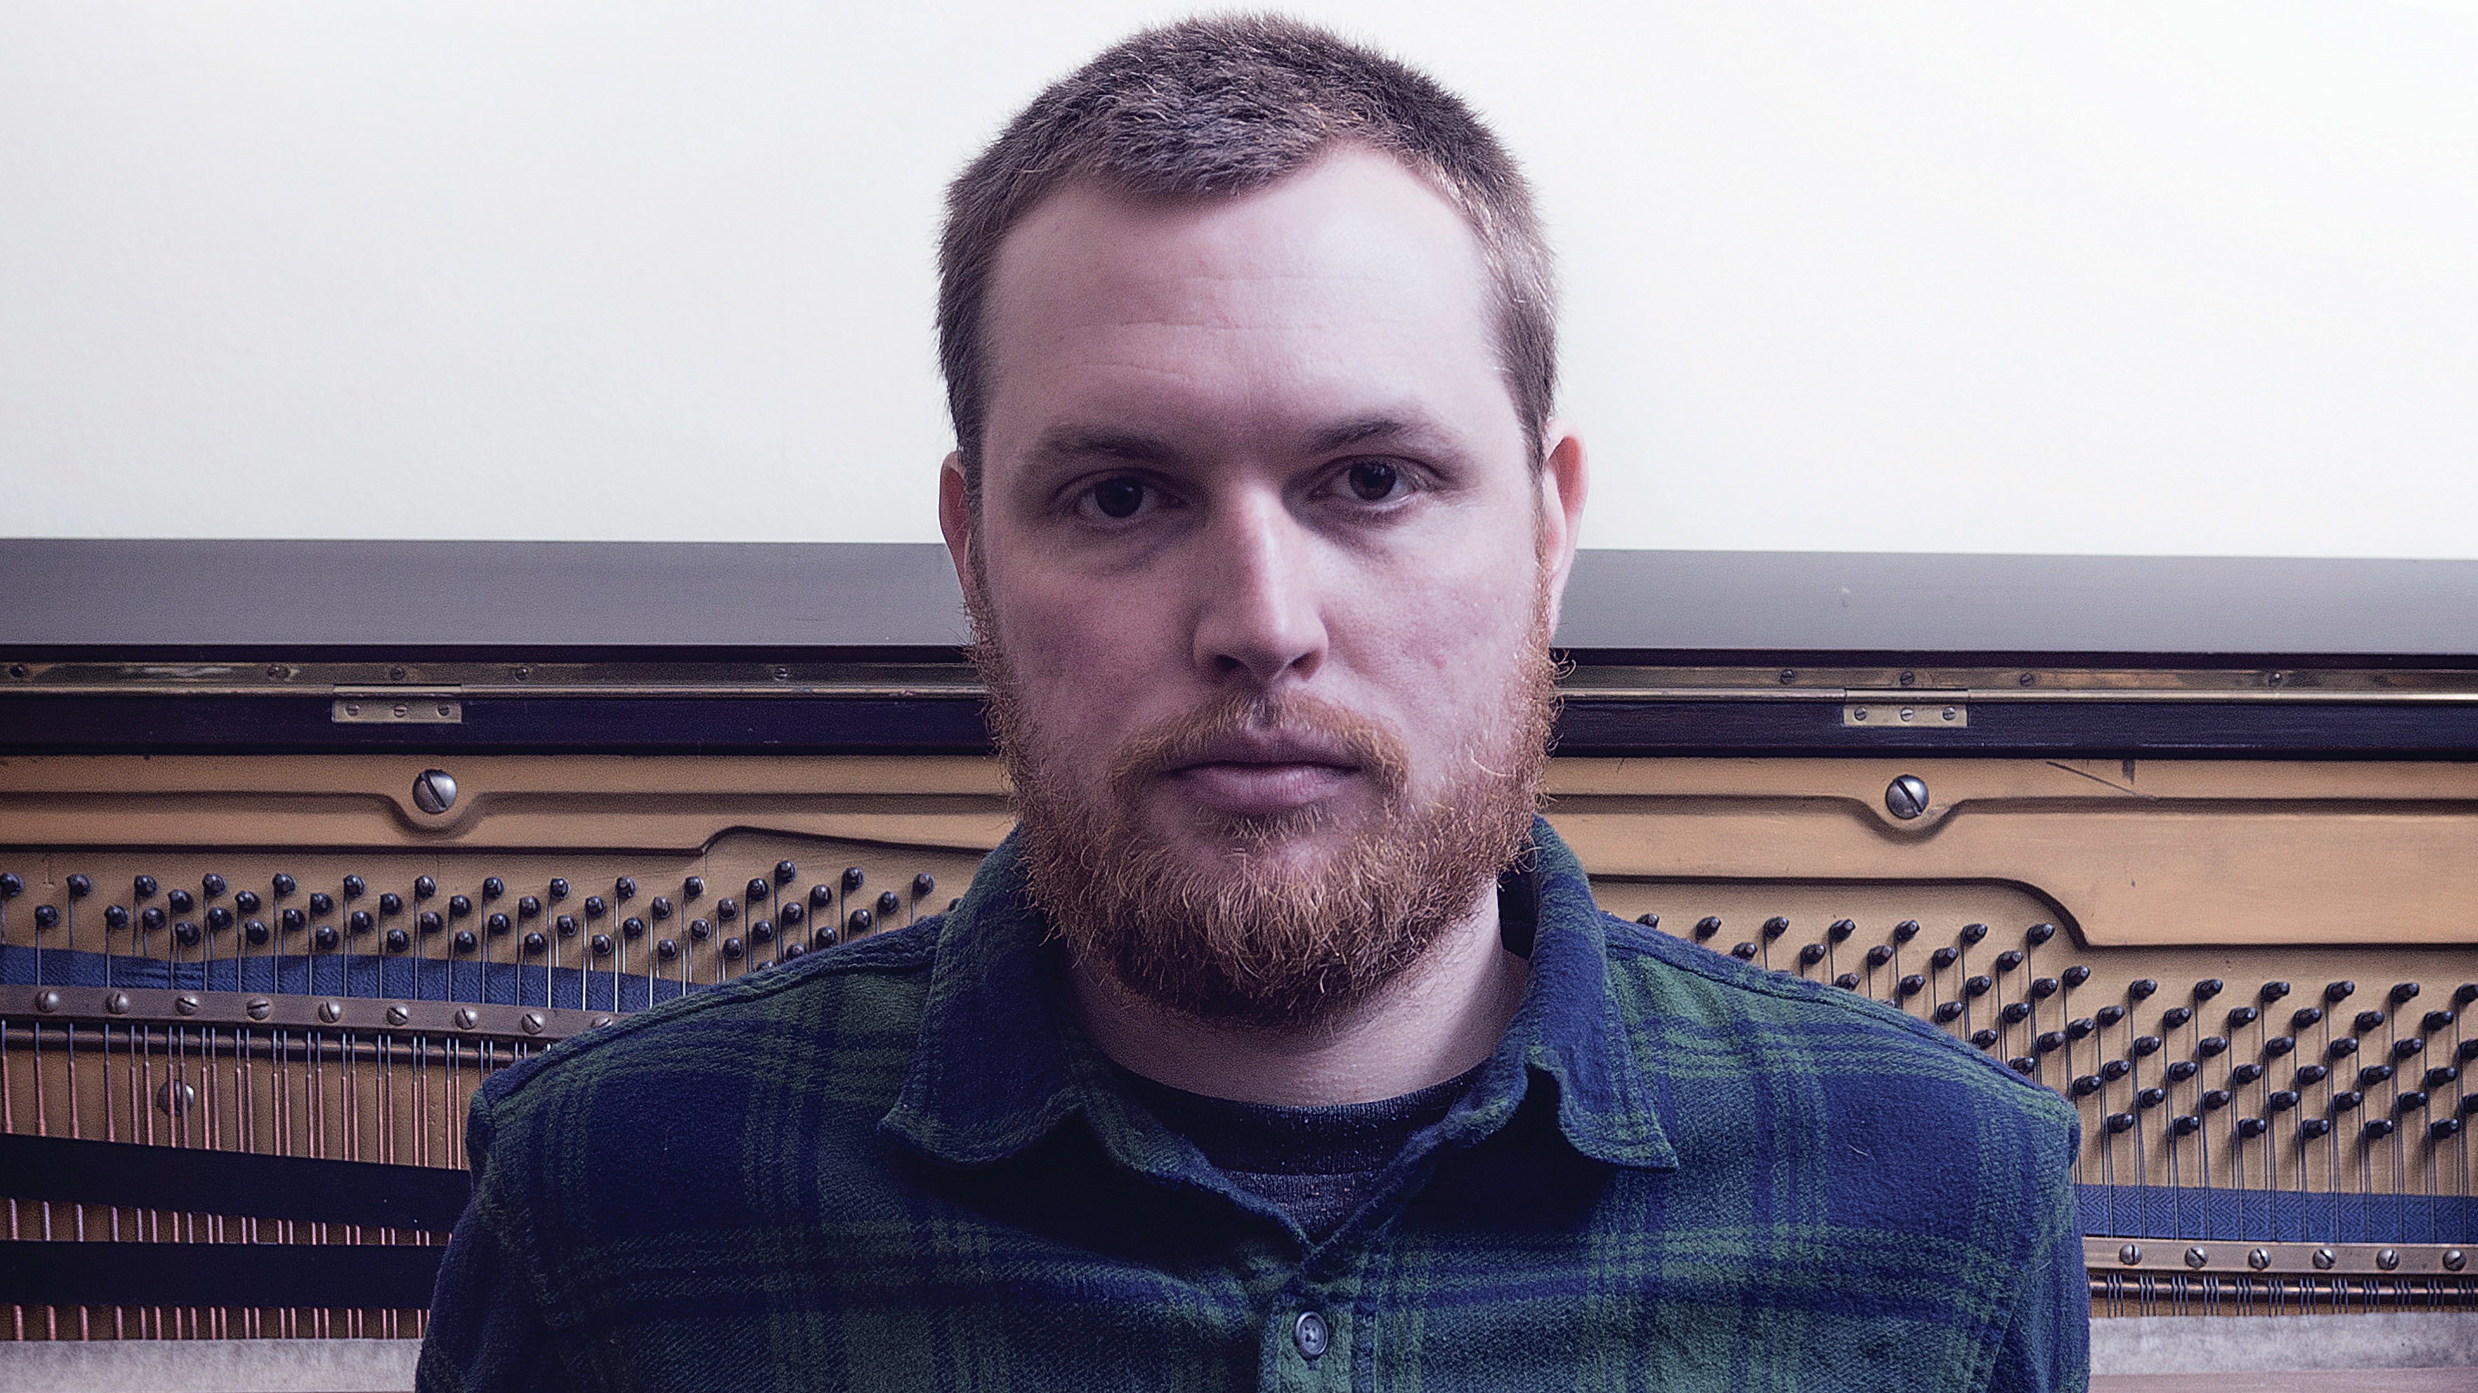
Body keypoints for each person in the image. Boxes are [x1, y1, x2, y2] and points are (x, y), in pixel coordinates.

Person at [419, 16, 2086, 1391]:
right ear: (970, 552)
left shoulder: (1946, 1199)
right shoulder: (607, 1208)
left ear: (1549, 528)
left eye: (1369, 478)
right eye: (1122, 497)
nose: (1258, 625)